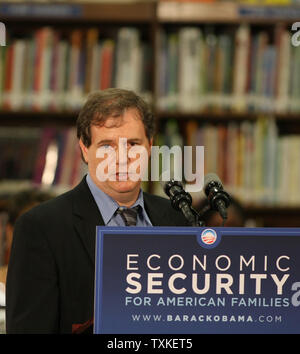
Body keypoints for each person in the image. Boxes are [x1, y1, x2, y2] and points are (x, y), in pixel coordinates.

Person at [6, 88, 188, 334]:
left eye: (133, 144)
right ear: (84, 150)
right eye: (107, 146)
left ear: (150, 147)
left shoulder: (180, 218)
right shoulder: (41, 228)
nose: (122, 158)